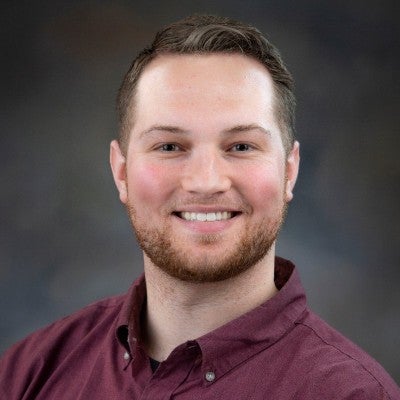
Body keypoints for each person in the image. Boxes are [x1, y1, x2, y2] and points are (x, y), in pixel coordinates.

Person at [0, 14, 399, 400]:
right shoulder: (29, 373)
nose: (206, 181)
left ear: (289, 172)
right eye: (170, 146)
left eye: (241, 146)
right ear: (121, 172)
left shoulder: (354, 394)